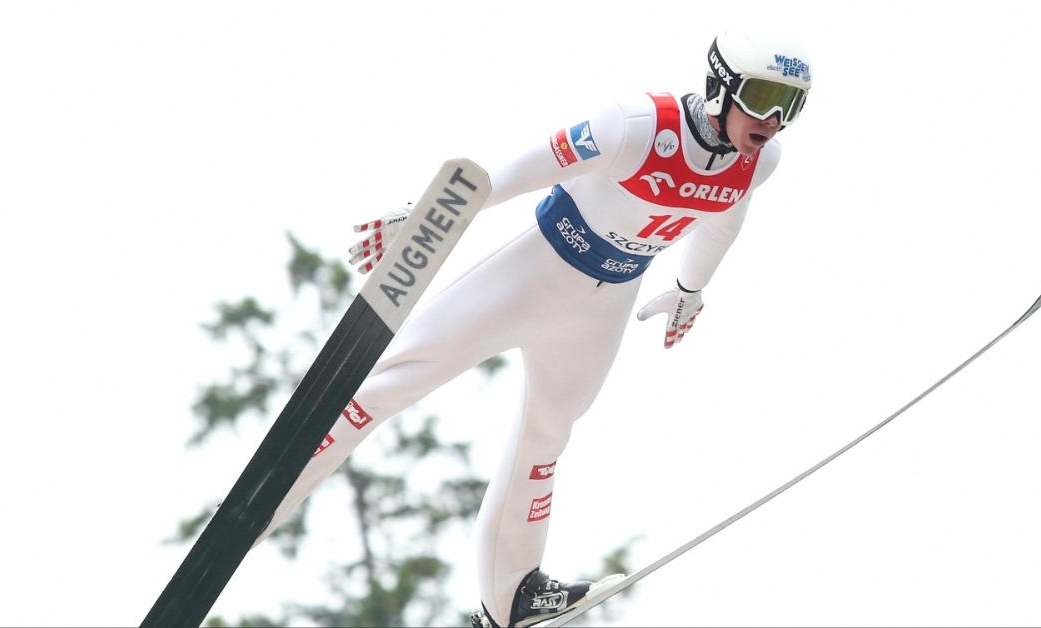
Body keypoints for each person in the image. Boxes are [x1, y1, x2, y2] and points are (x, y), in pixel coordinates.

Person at [254, 30, 813, 627]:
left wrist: (690, 289)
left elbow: (720, 226)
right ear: (721, 85)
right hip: (534, 274)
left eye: (792, 103)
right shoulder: (637, 125)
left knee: (545, 441)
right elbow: (519, 169)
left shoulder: (760, 164)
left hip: (606, 304)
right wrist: (429, 214)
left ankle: (510, 598)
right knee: (395, 381)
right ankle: (260, 505)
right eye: (762, 96)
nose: (774, 119)